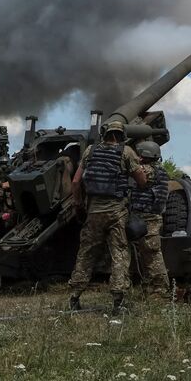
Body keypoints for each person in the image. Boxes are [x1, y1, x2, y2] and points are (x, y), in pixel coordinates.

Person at [68, 120, 147, 315]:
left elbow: (76, 182)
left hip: (93, 212)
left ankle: (74, 298)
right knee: (119, 254)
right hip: (116, 212)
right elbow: (142, 181)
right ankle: (118, 303)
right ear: (121, 135)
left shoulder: (90, 152)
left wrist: (79, 205)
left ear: (105, 133)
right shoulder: (126, 152)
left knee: (86, 254)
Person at [129, 141, 171, 298]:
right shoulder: (159, 171)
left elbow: (135, 172)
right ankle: (150, 289)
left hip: (148, 219)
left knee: (153, 256)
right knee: (146, 255)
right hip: (147, 218)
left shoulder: (150, 170)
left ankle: (161, 291)